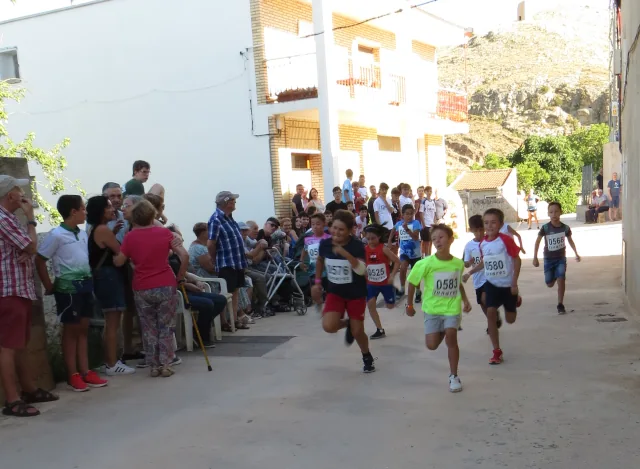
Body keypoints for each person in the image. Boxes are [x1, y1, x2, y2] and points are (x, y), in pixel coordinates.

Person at [36, 195, 109, 391]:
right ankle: (72, 374)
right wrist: (48, 285)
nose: (86, 212)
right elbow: (40, 259)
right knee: (71, 331)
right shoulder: (56, 235)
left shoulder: (83, 233)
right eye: (83, 209)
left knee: (83, 328)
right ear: (73, 212)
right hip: (67, 288)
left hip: (85, 285)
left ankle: (86, 371)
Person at [0, 176, 59, 417]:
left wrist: (27, 248)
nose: (21, 191)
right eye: (17, 188)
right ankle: (13, 400)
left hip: (18, 288)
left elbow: (28, 248)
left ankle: (29, 388)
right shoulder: (4, 218)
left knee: (19, 344)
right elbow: (31, 246)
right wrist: (31, 219)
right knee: (8, 347)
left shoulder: (9, 219)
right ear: (8, 194)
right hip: (9, 289)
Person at [114, 199, 188, 377]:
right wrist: (180, 276)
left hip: (142, 286)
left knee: (148, 327)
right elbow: (184, 255)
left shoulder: (130, 236)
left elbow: (119, 261)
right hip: (165, 283)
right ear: (152, 215)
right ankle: (166, 364)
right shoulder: (165, 233)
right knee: (166, 326)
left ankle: (153, 365)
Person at [406, 224, 471, 393]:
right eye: (434, 239)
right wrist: (409, 304)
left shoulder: (458, 263)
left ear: (451, 240)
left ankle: (454, 376)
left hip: (451, 308)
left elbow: (457, 284)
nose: (437, 241)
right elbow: (412, 282)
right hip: (432, 309)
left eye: (441, 237)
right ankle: (445, 329)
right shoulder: (425, 264)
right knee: (432, 345)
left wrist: (465, 300)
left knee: (451, 337)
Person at [311, 210, 375, 373]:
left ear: (350, 231)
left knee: (358, 331)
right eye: (334, 228)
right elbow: (320, 260)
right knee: (329, 326)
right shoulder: (325, 243)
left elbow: (362, 270)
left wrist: (344, 252)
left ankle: (366, 355)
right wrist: (317, 282)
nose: (336, 232)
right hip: (335, 292)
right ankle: (347, 323)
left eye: (341, 229)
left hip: (355, 293)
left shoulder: (357, 246)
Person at [463, 208, 521, 365]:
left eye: (493, 222)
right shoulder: (482, 243)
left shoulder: (505, 240)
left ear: (500, 224)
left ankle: (514, 299)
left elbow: (517, 259)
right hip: (492, 284)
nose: (489, 226)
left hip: (508, 284)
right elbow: (484, 262)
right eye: (486, 223)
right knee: (490, 312)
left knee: (510, 319)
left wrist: (514, 282)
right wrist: (469, 273)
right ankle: (496, 351)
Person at [85, 196, 136, 376]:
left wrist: (112, 233)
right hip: (109, 277)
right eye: (107, 206)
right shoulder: (102, 230)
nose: (112, 209)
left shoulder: (97, 230)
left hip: (103, 277)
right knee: (113, 321)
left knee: (110, 321)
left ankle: (110, 360)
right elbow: (121, 251)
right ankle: (112, 363)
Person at [207, 191, 248, 331]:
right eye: (233, 200)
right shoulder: (216, 219)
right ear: (227, 202)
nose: (235, 202)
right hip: (226, 262)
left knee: (235, 290)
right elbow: (211, 243)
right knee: (226, 292)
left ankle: (234, 319)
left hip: (236, 261)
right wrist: (214, 259)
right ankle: (224, 321)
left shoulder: (229, 218)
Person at [533, 202, 581, 314]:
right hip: (548, 259)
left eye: (556, 211)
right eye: (551, 212)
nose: (554, 214)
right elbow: (537, 242)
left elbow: (570, 241)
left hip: (561, 258)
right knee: (549, 283)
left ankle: (560, 304)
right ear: (548, 214)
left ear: (560, 212)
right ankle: (554, 276)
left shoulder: (565, 228)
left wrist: (576, 253)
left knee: (561, 279)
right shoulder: (545, 228)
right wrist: (535, 257)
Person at [463, 215, 502, 334]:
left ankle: (492, 321)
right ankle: (492, 320)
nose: (479, 233)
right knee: (482, 302)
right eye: (476, 230)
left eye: (481, 229)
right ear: (471, 230)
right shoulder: (469, 246)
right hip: (477, 279)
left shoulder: (489, 241)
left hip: (490, 277)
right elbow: (465, 264)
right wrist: (468, 262)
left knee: (485, 299)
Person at [364, 224, 400, 340]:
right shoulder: (365, 250)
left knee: (390, 306)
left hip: (385, 283)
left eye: (373, 238)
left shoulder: (383, 249)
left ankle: (393, 291)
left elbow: (397, 261)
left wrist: (392, 276)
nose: (370, 241)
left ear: (379, 237)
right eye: (368, 239)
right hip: (371, 284)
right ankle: (379, 329)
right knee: (370, 305)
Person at [388, 204, 422, 300]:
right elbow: (393, 229)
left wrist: (407, 229)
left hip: (415, 253)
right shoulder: (399, 224)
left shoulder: (416, 223)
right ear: (403, 215)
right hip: (404, 252)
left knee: (415, 273)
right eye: (407, 214)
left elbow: (415, 237)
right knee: (403, 267)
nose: (409, 216)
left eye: (411, 214)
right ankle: (402, 289)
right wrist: (390, 240)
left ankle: (418, 291)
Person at [300, 212, 331, 287]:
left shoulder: (329, 238)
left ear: (324, 224)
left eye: (318, 224)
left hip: (327, 273)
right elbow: (305, 250)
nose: (315, 226)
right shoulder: (308, 240)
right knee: (315, 294)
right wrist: (301, 261)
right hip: (313, 272)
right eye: (313, 224)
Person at [419, 186, 436, 257]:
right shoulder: (423, 201)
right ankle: (426, 257)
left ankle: (430, 255)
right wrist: (423, 224)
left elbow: (434, 213)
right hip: (426, 224)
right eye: (428, 191)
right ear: (425, 192)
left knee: (431, 242)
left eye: (430, 191)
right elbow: (421, 213)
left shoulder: (433, 201)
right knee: (426, 242)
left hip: (431, 224)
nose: (429, 193)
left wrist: (434, 223)